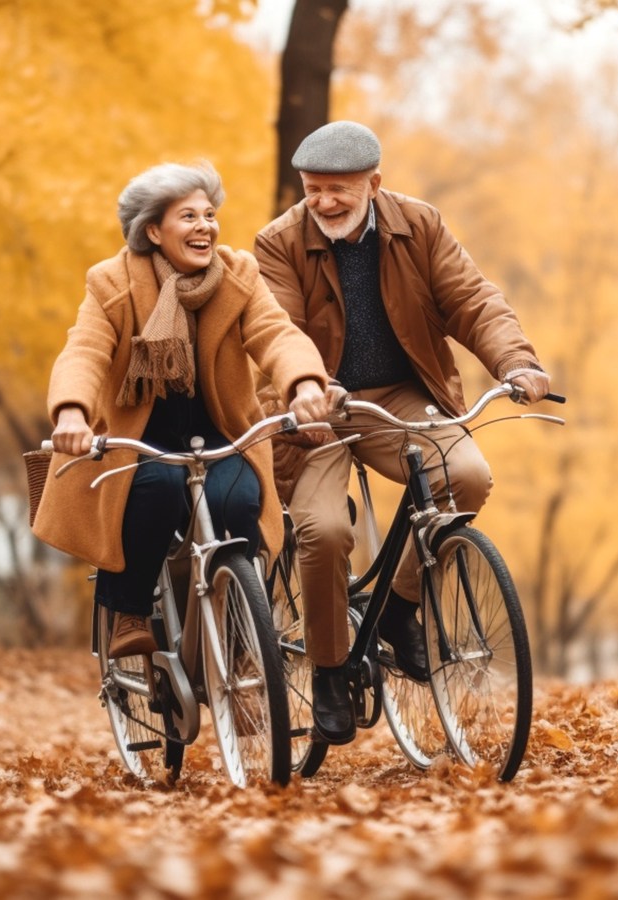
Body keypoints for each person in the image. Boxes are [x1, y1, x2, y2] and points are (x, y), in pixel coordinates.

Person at [255, 121, 551, 744]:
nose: (325, 202)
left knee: (466, 477)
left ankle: (397, 605)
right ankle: (331, 670)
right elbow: (279, 328)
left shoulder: (419, 225)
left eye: (339, 189)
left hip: (401, 396)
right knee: (325, 530)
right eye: (313, 190)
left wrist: (515, 361)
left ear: (374, 184)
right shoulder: (279, 242)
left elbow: (472, 299)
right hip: (316, 408)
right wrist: (307, 386)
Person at [33, 161, 330, 659]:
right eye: (188, 216)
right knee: (157, 488)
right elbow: (84, 350)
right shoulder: (112, 282)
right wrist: (70, 413)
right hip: (142, 437)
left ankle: (235, 617)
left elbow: (275, 333)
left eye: (209, 215)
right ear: (153, 230)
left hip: (222, 431)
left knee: (239, 500)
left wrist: (303, 384)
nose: (204, 227)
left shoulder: (238, 275)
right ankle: (128, 612)